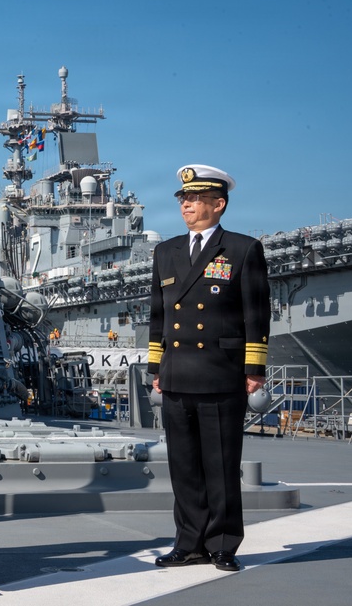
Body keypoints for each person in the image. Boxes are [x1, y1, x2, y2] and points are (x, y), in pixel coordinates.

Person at [148, 164, 269, 572]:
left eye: (196, 199)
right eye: (183, 198)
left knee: (220, 466)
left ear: (218, 204)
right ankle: (188, 543)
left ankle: (222, 544)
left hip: (220, 372)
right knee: (183, 467)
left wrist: (254, 368)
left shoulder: (242, 249)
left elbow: (257, 313)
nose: (186, 204)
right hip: (178, 372)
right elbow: (157, 315)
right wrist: (155, 367)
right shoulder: (166, 252)